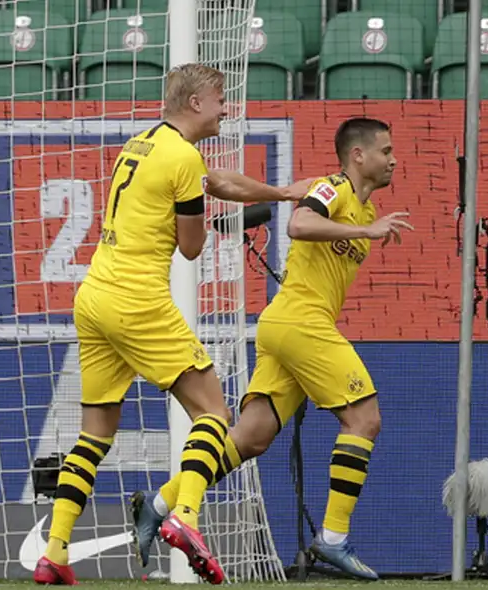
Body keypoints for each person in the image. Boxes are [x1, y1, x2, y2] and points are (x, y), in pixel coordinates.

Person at [32, 63, 312, 587]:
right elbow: (191, 246)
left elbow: (215, 181)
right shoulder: (184, 158)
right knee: (213, 410)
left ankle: (55, 552)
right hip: (139, 298)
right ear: (195, 103)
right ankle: (186, 516)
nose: (227, 109)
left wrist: (279, 194)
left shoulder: (143, 143)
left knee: (95, 434)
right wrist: (212, 219)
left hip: (95, 295)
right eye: (220, 99)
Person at [130, 117, 414, 581]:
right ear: (358, 155)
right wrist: (365, 233)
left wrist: (364, 227)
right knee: (364, 418)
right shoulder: (332, 187)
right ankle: (334, 539)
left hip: (283, 326)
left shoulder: (362, 209)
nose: (393, 159)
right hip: (302, 321)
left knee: (250, 438)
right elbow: (300, 223)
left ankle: (158, 506)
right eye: (385, 150)